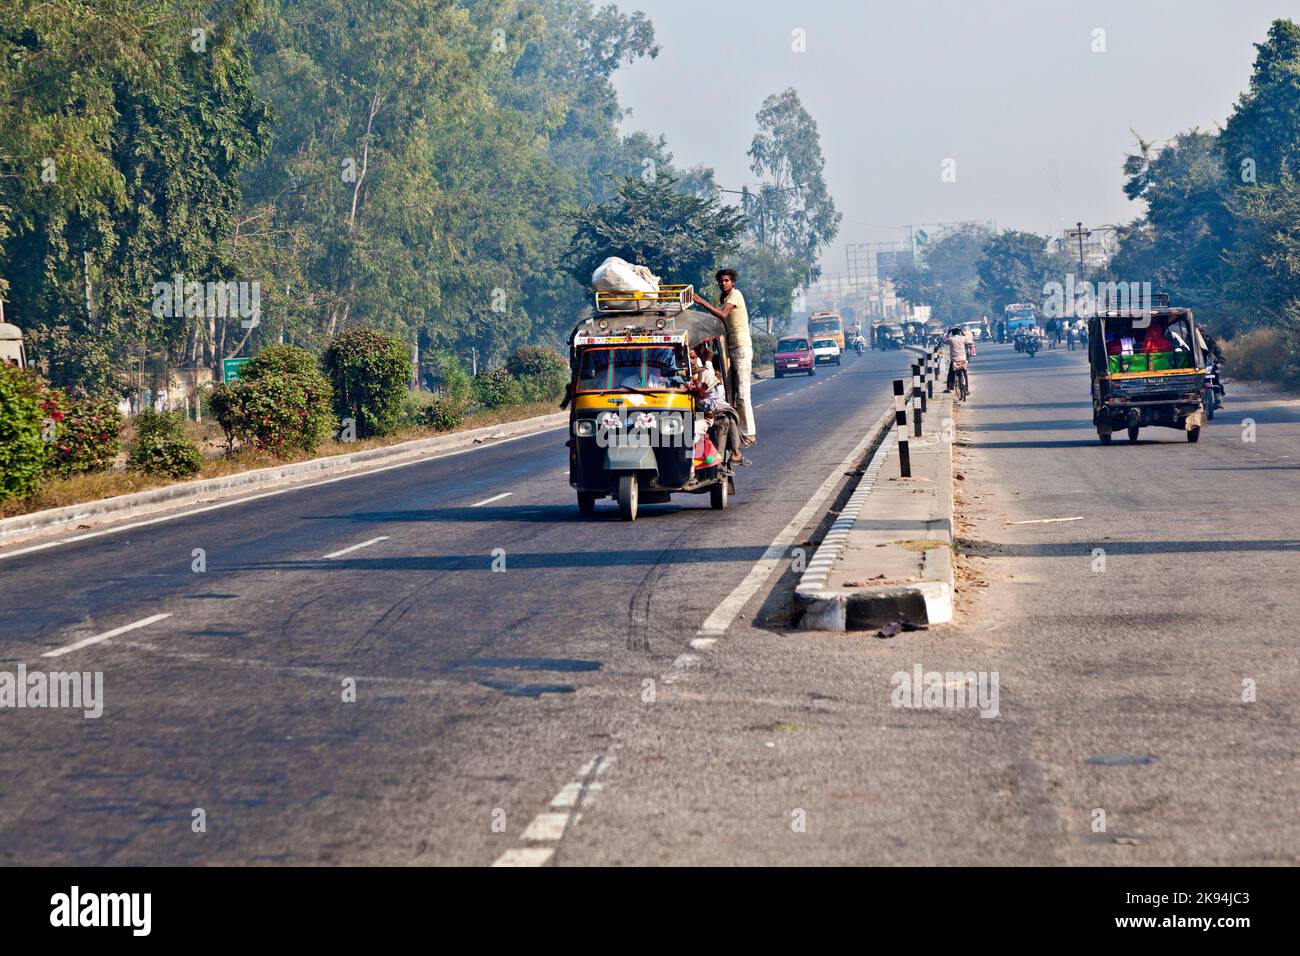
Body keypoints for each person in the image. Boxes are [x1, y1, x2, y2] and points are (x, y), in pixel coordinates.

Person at [692, 269, 755, 447]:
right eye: (721, 281)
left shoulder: (735, 295)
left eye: (726, 281)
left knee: (742, 394)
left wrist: (701, 301)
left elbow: (722, 314)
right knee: (732, 394)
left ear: (732, 282)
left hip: (741, 347)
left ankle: (749, 433)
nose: (723, 284)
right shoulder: (722, 299)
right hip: (728, 349)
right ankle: (739, 432)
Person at [943, 326, 974, 393]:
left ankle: (949, 388)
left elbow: (944, 340)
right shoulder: (963, 338)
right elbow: (969, 339)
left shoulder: (951, 339)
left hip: (954, 359)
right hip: (963, 359)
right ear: (959, 332)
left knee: (951, 373)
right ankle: (967, 389)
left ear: (953, 333)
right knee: (965, 373)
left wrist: (948, 333)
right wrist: (963, 332)